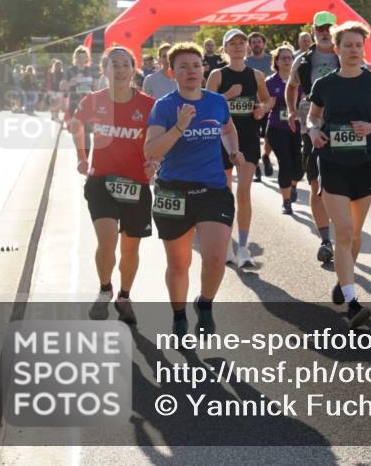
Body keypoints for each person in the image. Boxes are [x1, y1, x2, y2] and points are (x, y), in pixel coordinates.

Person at [144, 42, 241, 337]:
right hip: (173, 192)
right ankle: (178, 316)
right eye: (183, 67)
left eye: (196, 66)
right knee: (179, 262)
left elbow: (227, 128)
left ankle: (206, 304)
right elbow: (151, 150)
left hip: (213, 190)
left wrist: (234, 152)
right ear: (172, 72)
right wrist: (179, 127)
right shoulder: (164, 107)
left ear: (204, 69)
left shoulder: (216, 102)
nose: (191, 71)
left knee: (214, 258)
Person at [307, 22, 371, 328]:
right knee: (343, 232)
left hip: (364, 163)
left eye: (359, 45)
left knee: (355, 234)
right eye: (348, 45)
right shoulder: (325, 85)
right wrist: (313, 132)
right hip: (332, 162)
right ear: (337, 49)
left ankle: (343, 279)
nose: (354, 50)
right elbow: (313, 116)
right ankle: (352, 300)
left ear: (364, 49)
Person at [72, 45, 156, 324]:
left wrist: (154, 161)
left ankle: (125, 296)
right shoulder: (93, 100)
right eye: (114, 65)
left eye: (125, 65)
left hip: (136, 184)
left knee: (130, 249)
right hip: (101, 182)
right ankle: (105, 290)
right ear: (104, 70)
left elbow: (159, 139)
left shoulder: (148, 105)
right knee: (107, 241)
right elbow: (76, 125)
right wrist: (82, 157)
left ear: (134, 69)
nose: (120, 70)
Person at [206, 29, 272, 268]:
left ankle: (243, 247)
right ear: (224, 48)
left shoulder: (256, 75)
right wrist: (226, 96)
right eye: (232, 43)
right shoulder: (217, 74)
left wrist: (262, 108)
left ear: (246, 48)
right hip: (222, 141)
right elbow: (204, 106)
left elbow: (267, 100)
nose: (237, 46)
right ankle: (227, 245)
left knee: (243, 192)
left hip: (249, 139)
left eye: (241, 42)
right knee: (225, 194)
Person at [287, 12, 340, 263]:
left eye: (329, 27)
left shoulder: (346, 53)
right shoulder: (304, 60)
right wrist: (290, 110)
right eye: (321, 27)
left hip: (344, 126)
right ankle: (325, 240)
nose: (325, 31)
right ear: (313, 30)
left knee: (345, 183)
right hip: (312, 126)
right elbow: (291, 86)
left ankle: (345, 231)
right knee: (316, 184)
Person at [265, 44, 303, 214]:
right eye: (283, 58)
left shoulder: (301, 80)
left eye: (290, 58)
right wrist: (267, 104)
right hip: (277, 128)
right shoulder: (270, 82)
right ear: (277, 61)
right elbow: (263, 103)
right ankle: (286, 201)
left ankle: (293, 185)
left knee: (299, 167)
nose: (287, 61)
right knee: (285, 163)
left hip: (297, 128)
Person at [245, 31, 275, 181]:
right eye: (253, 42)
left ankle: (266, 155)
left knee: (270, 135)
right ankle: (256, 168)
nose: (256, 44)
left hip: (269, 104)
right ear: (249, 46)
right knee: (254, 138)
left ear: (263, 44)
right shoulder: (245, 63)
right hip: (252, 106)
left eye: (259, 42)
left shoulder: (271, 61)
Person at [62, 45, 96, 129]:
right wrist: (72, 82)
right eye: (79, 57)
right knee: (77, 130)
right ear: (75, 58)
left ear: (87, 58)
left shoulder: (90, 70)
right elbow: (62, 86)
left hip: (87, 103)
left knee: (87, 130)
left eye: (83, 57)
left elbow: (94, 87)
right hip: (74, 103)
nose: (81, 59)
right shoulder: (70, 70)